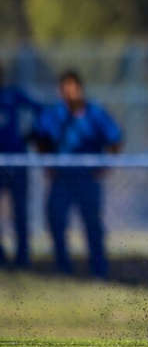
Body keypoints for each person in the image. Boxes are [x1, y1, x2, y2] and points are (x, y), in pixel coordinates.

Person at [34, 70, 121, 278]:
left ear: (80, 89)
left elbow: (115, 138)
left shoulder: (95, 112)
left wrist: (106, 165)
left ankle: (99, 270)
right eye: (65, 89)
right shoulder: (54, 114)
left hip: (87, 179)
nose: (69, 94)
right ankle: (63, 269)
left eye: (72, 88)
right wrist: (48, 165)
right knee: (56, 220)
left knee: (92, 224)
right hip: (62, 179)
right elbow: (40, 138)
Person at [0, 62, 39, 269]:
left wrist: (30, 136)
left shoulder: (13, 95)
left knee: (20, 211)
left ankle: (23, 257)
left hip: (17, 163)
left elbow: (41, 111)